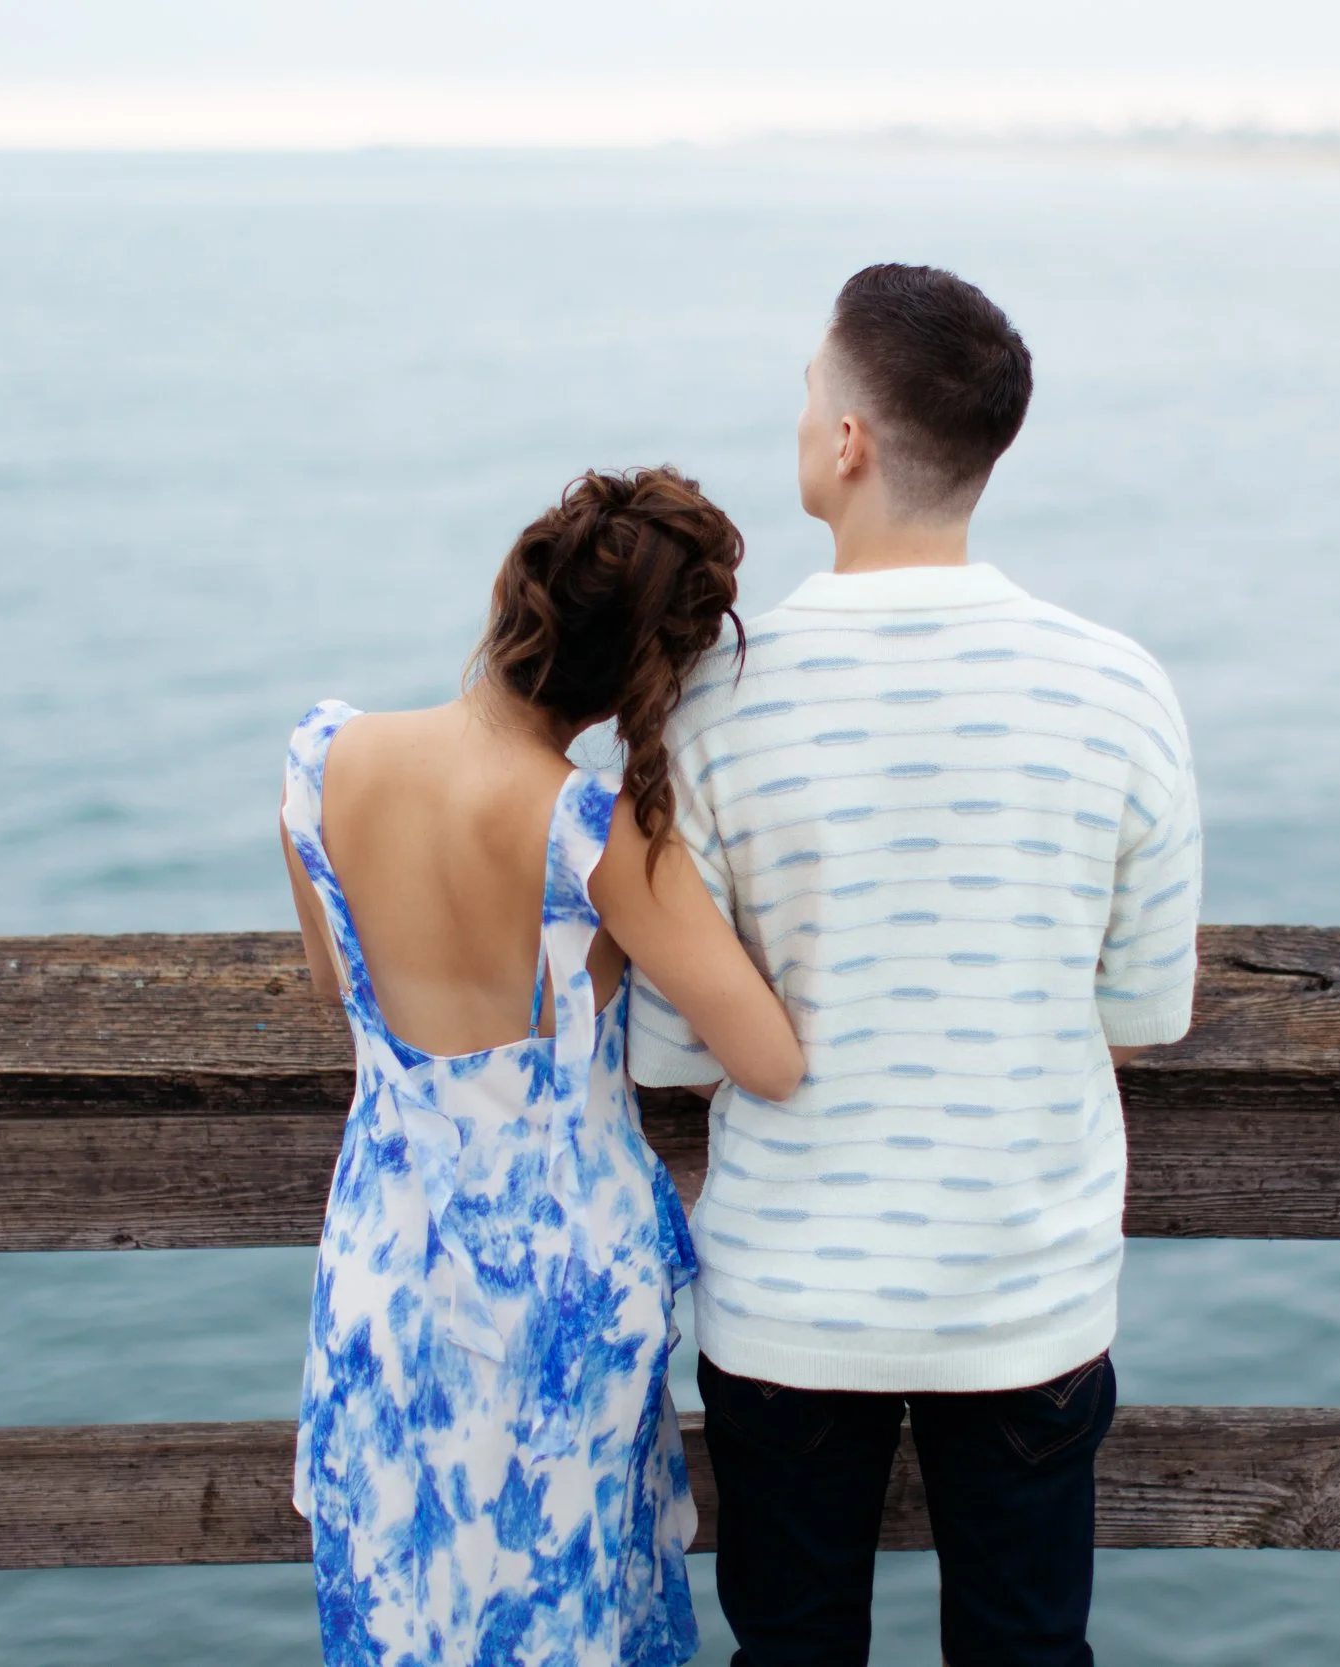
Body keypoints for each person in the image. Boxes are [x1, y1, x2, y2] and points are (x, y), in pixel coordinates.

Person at [631, 265, 1203, 1666]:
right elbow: (1142, 1011)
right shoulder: (1118, 688)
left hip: (786, 1305)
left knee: (792, 1650)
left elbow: (671, 1042)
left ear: (848, 442)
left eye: (810, 393)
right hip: (1023, 1291)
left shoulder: (710, 701)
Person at [280, 467, 807, 1667]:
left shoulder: (320, 757)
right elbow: (768, 1057)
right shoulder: (589, 829)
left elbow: (331, 980)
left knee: (403, 1614)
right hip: (560, 1304)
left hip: (385, 1274)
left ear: (515, 591)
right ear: (643, 679)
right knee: (564, 1623)